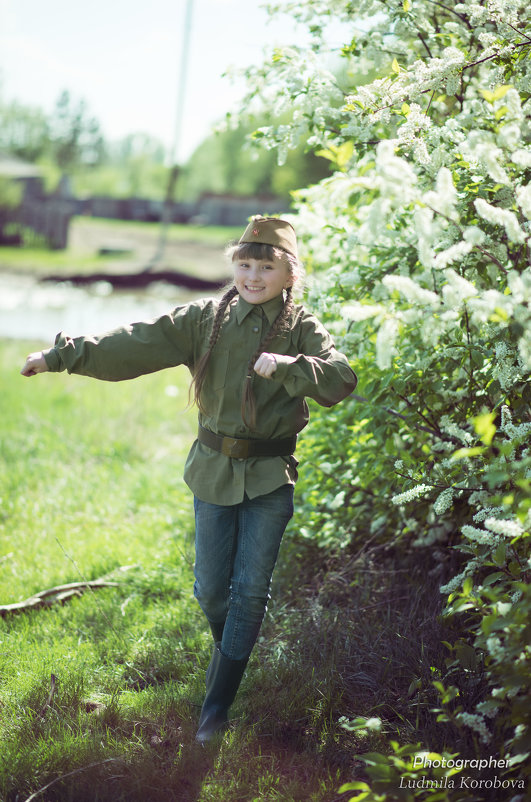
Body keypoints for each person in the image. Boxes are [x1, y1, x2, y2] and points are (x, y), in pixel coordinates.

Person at [21, 216, 357, 743]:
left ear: (289, 274)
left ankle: (215, 709)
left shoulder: (303, 327)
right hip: (212, 472)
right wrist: (61, 356)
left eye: (265, 267)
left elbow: (340, 379)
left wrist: (290, 366)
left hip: (270, 477)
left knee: (249, 593)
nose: (252, 276)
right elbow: (135, 343)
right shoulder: (206, 319)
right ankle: (233, 659)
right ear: (233, 267)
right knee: (210, 592)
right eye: (244, 264)